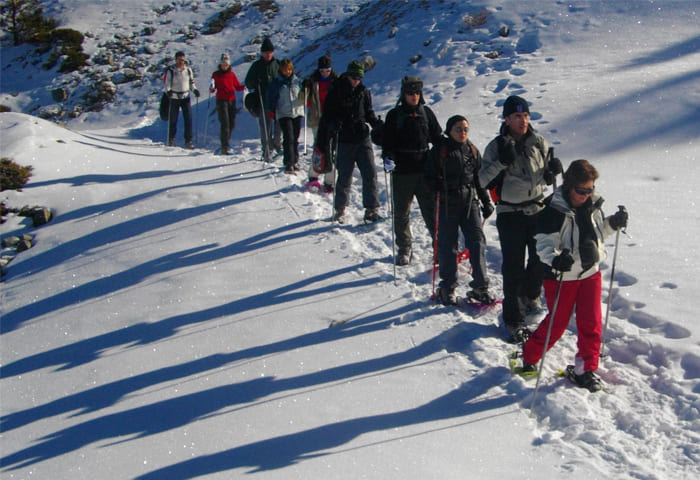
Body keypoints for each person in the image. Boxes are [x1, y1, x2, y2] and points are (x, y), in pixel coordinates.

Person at [519, 159, 628, 392]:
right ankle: (529, 355)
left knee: (591, 323)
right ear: (569, 186)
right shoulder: (553, 211)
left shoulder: (593, 205)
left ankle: (585, 369)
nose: (587, 195)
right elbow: (544, 245)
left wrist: (613, 224)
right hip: (562, 276)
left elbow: (597, 235)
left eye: (590, 190)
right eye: (582, 190)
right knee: (557, 323)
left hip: (590, 273)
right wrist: (556, 259)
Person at [479, 95, 562, 343]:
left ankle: (530, 295)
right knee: (513, 267)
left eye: (525, 115)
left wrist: (551, 172)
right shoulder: (496, 147)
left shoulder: (538, 142)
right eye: (517, 116)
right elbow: (482, 181)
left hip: (536, 209)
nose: (522, 120)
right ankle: (513, 319)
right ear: (507, 119)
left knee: (539, 259)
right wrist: (503, 161)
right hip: (510, 213)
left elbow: (544, 178)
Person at [425, 115, 495, 305]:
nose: (462, 133)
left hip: (469, 201)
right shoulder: (440, 150)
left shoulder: (472, 150)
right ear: (449, 131)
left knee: (477, 241)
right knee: (449, 244)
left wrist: (485, 201)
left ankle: (481, 286)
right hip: (448, 201)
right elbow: (428, 177)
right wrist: (436, 185)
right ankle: (447, 287)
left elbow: (479, 179)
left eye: (465, 129)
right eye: (458, 129)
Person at [381, 76, 442, 265]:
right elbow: (387, 142)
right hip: (402, 172)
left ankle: (439, 246)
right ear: (403, 94)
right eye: (410, 93)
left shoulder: (426, 113)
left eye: (417, 93)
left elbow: (437, 138)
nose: (414, 96)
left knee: (431, 212)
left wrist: (443, 159)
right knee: (401, 212)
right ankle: (404, 247)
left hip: (425, 171)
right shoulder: (394, 115)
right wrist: (388, 157)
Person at [320, 61, 382, 224]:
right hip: (344, 140)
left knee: (370, 173)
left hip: (362, 137)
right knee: (345, 176)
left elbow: (369, 113)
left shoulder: (364, 92)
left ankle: (371, 209)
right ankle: (340, 209)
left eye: (359, 78)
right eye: (353, 77)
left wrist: (377, 124)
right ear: (347, 75)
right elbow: (327, 116)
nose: (356, 80)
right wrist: (334, 125)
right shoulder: (336, 91)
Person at [304, 55, 339, 191]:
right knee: (320, 149)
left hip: (332, 119)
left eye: (327, 70)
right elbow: (305, 99)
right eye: (323, 70)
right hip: (317, 118)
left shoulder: (336, 81)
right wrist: (305, 88)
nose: (325, 73)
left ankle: (329, 182)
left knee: (332, 150)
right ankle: (313, 176)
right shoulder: (313, 82)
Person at [244, 37, 281, 162]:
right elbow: (248, 82)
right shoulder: (256, 66)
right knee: (265, 128)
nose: (268, 54)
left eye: (270, 52)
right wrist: (255, 83)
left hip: (277, 102)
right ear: (262, 53)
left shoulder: (278, 65)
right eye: (265, 52)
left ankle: (277, 144)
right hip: (263, 101)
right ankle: (266, 151)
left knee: (279, 126)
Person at [267, 59, 305, 173]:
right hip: (284, 113)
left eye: (289, 69)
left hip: (297, 112)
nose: (287, 72)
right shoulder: (277, 83)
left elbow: (304, 94)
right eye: (284, 70)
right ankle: (288, 162)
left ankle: (295, 161)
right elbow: (271, 97)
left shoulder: (297, 81)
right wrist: (271, 109)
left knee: (295, 138)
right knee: (288, 137)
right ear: (281, 70)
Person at [209, 53, 244, 155]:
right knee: (225, 123)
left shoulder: (231, 74)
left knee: (232, 122)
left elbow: (237, 86)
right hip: (221, 100)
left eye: (226, 64)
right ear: (220, 64)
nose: (224, 66)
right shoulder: (215, 74)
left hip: (231, 100)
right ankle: (225, 146)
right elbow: (212, 89)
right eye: (223, 64)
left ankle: (225, 140)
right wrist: (211, 88)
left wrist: (246, 86)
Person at [164, 51, 200, 148]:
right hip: (174, 97)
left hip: (185, 97)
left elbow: (191, 83)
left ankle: (188, 141)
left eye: (183, 60)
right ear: (175, 60)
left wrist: (195, 90)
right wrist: (168, 91)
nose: (181, 62)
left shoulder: (188, 70)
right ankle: (171, 139)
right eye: (179, 60)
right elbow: (167, 84)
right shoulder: (171, 71)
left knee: (188, 119)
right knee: (173, 119)